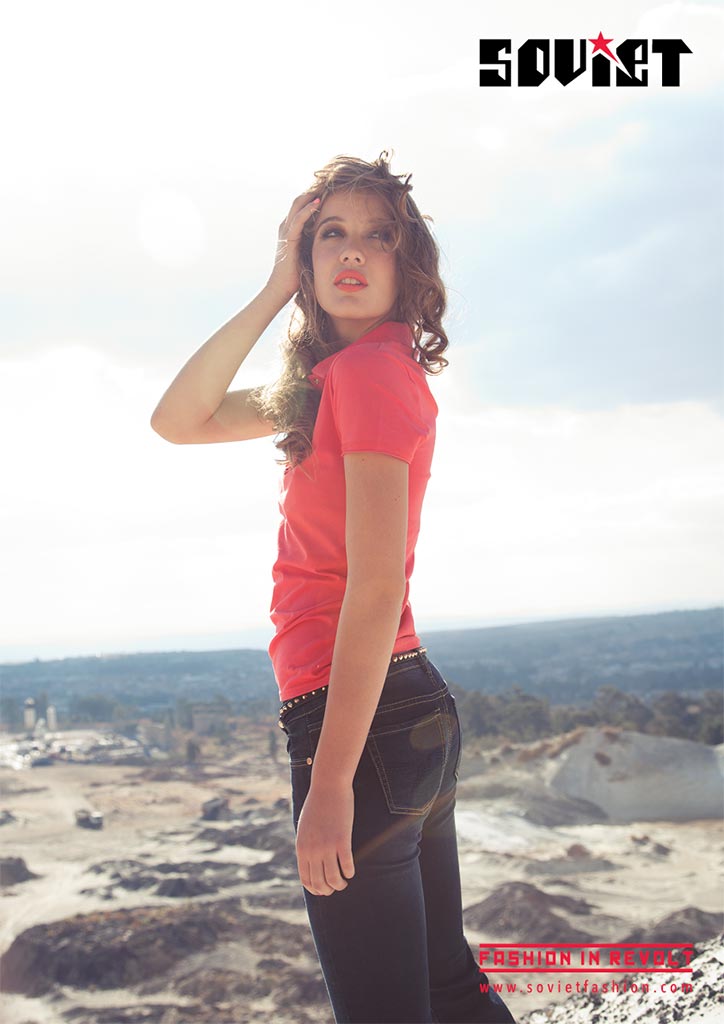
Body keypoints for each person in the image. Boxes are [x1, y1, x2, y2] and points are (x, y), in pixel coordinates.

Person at [151, 152, 516, 1024]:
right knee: (446, 988)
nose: (353, 251)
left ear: (407, 262)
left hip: (359, 720)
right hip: (406, 705)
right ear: (306, 258)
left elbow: (376, 587)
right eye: (331, 235)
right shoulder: (332, 381)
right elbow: (177, 419)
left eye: (378, 236)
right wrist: (275, 284)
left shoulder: (367, 376)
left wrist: (330, 786)